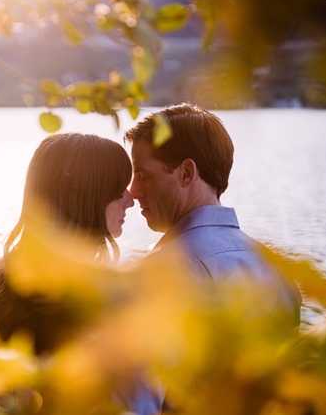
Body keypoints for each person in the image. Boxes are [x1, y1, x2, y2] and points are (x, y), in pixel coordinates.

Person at [121, 103, 302, 414]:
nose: (133, 191)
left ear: (187, 173)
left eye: (142, 175)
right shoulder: (279, 271)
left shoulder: (158, 276)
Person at [0, 132, 134, 412]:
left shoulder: (0, 279)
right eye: (118, 190)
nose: (130, 200)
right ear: (87, 195)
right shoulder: (94, 295)